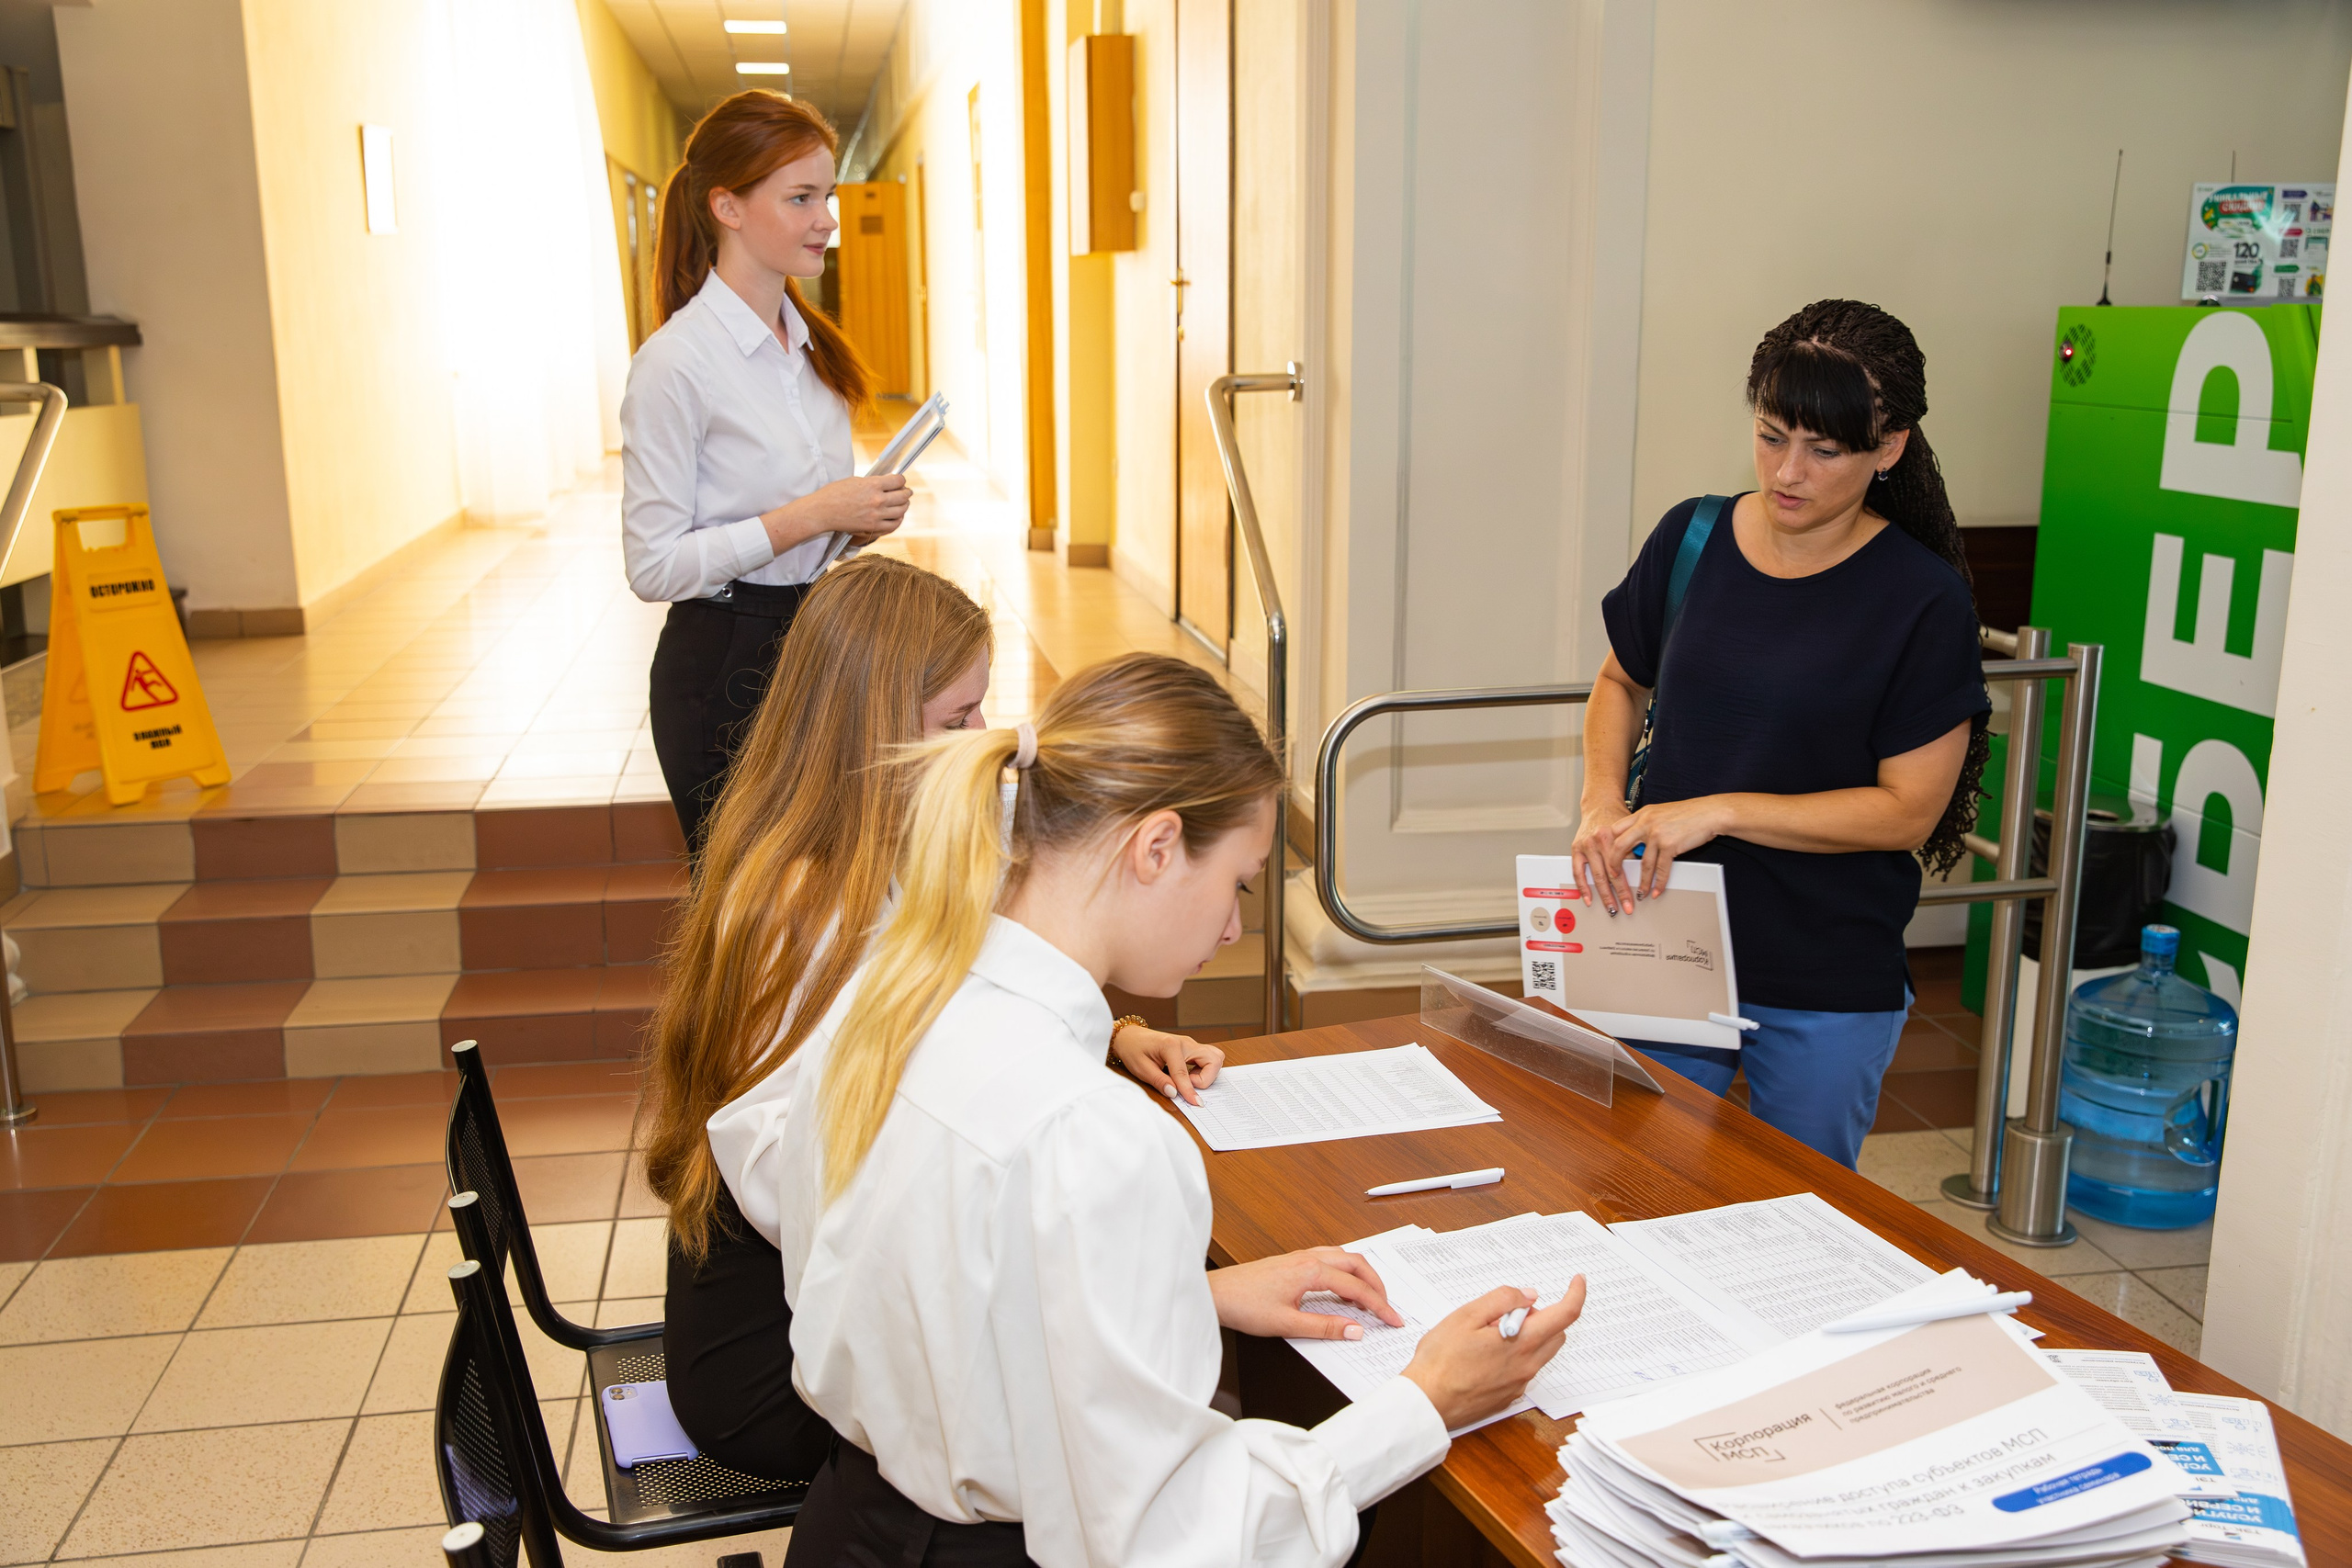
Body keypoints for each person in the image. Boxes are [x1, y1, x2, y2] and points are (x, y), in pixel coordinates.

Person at [768, 653, 1588, 1567]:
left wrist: (1185, 1297)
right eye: (1238, 881)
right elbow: (1174, 1538)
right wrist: (1423, 1402)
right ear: (1156, 847)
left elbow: (937, 1298)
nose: (1234, 928)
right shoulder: (1095, 1134)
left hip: (848, 1524)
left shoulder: (878, 1000)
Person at [642, 561, 1227, 1482]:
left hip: (818, 1293)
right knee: (1090, 1421)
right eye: (956, 719)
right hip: (771, 1347)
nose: (979, 740)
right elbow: (820, 1192)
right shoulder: (807, 905)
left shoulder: (869, 841)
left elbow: (942, 1008)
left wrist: (1112, 1038)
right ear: (867, 724)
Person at [1569, 299, 1992, 1169]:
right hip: (1666, 940)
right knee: (1631, 1193)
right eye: (1771, 436)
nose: (1787, 472)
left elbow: (1907, 812)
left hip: (1825, 972)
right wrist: (1601, 801)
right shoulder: (1692, 537)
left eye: (1826, 450)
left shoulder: (1921, 600)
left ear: (1890, 448)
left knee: (1798, 1224)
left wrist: (1717, 810)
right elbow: (1620, 680)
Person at [623, 90, 910, 849]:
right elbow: (653, 566)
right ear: (728, 206)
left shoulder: (811, 351)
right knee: (747, 924)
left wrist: (855, 521)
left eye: (830, 196)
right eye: (802, 198)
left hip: (816, 642)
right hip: (722, 665)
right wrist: (814, 515)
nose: (827, 219)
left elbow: (799, 535)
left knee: (829, 907)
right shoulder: (675, 366)